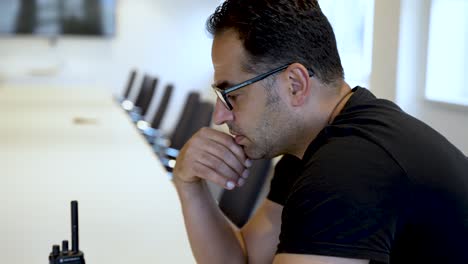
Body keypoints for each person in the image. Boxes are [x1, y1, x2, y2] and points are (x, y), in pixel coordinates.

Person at [172, 0, 468, 263]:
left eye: (231, 95)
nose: (219, 115)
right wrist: (189, 186)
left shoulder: (348, 168)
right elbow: (247, 258)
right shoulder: (309, 148)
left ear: (295, 84)